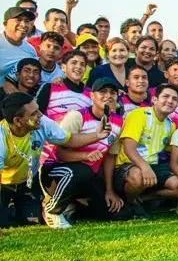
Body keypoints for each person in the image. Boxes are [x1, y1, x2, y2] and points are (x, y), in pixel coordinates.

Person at [1, 92, 112, 229]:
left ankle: (15, 210)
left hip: (28, 182)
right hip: (3, 186)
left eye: (38, 110)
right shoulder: (1, 138)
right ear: (18, 121)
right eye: (34, 114)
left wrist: (97, 135)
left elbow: (69, 139)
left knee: (32, 220)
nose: (40, 115)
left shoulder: (42, 123)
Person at [41, 78, 127, 228]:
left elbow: (110, 158)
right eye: (103, 92)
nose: (108, 96)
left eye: (112, 93)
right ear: (92, 96)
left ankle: (74, 206)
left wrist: (109, 190)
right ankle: (52, 209)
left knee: (120, 212)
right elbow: (60, 153)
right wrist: (84, 156)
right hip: (56, 171)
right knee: (83, 171)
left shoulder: (118, 122)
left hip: (89, 176)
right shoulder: (77, 116)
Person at [113, 83, 178, 218]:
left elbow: (173, 149)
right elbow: (129, 148)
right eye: (166, 96)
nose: (170, 101)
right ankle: (130, 203)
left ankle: (143, 198)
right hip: (127, 166)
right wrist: (145, 167)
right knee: (138, 176)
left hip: (153, 166)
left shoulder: (170, 125)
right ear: (154, 99)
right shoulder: (139, 115)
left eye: (174, 99)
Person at [1, 7, 38, 81]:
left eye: (27, 21)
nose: (23, 25)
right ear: (5, 23)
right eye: (19, 20)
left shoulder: (30, 50)